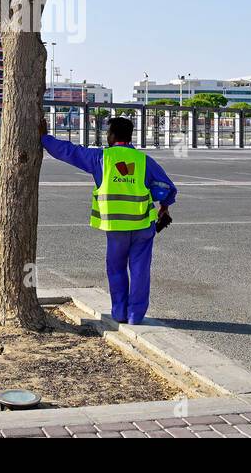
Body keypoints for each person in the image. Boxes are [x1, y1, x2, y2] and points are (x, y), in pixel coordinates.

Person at [41, 116, 177, 325]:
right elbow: (168, 187)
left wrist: (44, 138)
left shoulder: (100, 158)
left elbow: (69, 151)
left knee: (116, 269)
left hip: (116, 227)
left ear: (112, 136)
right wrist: (164, 206)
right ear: (129, 135)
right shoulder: (144, 160)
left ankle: (120, 312)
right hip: (143, 225)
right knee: (140, 270)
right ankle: (135, 316)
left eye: (108, 132)